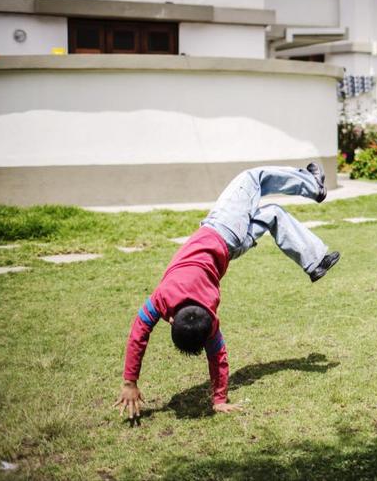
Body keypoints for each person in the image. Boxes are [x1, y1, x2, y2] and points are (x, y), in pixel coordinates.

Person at [114, 163, 340, 419]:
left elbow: (216, 355)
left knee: (273, 214)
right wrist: (128, 381)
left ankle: (315, 261)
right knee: (253, 177)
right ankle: (313, 185)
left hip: (230, 250)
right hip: (222, 230)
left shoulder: (208, 315)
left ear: (173, 320)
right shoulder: (164, 295)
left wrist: (219, 398)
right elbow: (138, 333)